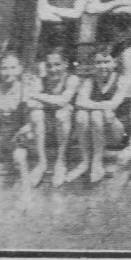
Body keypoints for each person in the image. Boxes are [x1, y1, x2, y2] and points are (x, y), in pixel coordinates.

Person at [0, 53, 47, 188]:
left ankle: (26, 198)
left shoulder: (26, 89)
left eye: (13, 68)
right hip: (0, 137)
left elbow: (38, 113)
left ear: (20, 69)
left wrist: (28, 127)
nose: (8, 73)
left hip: (20, 138)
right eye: (4, 68)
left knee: (19, 158)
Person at [72, 45, 131, 183]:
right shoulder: (90, 81)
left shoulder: (122, 80)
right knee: (81, 115)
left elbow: (113, 104)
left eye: (106, 62)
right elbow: (79, 101)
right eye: (98, 62)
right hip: (97, 130)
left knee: (95, 114)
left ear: (115, 63)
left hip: (117, 132)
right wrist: (101, 106)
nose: (102, 66)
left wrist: (94, 106)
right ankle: (85, 161)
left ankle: (97, 163)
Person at [27, 47, 81, 187]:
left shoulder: (72, 79)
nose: (52, 69)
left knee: (62, 112)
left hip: (70, 131)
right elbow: (30, 102)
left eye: (57, 65)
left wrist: (38, 96)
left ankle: (60, 162)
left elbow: (63, 100)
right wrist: (41, 100)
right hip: (49, 129)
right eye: (49, 65)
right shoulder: (42, 80)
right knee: (36, 113)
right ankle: (41, 163)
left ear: (65, 64)